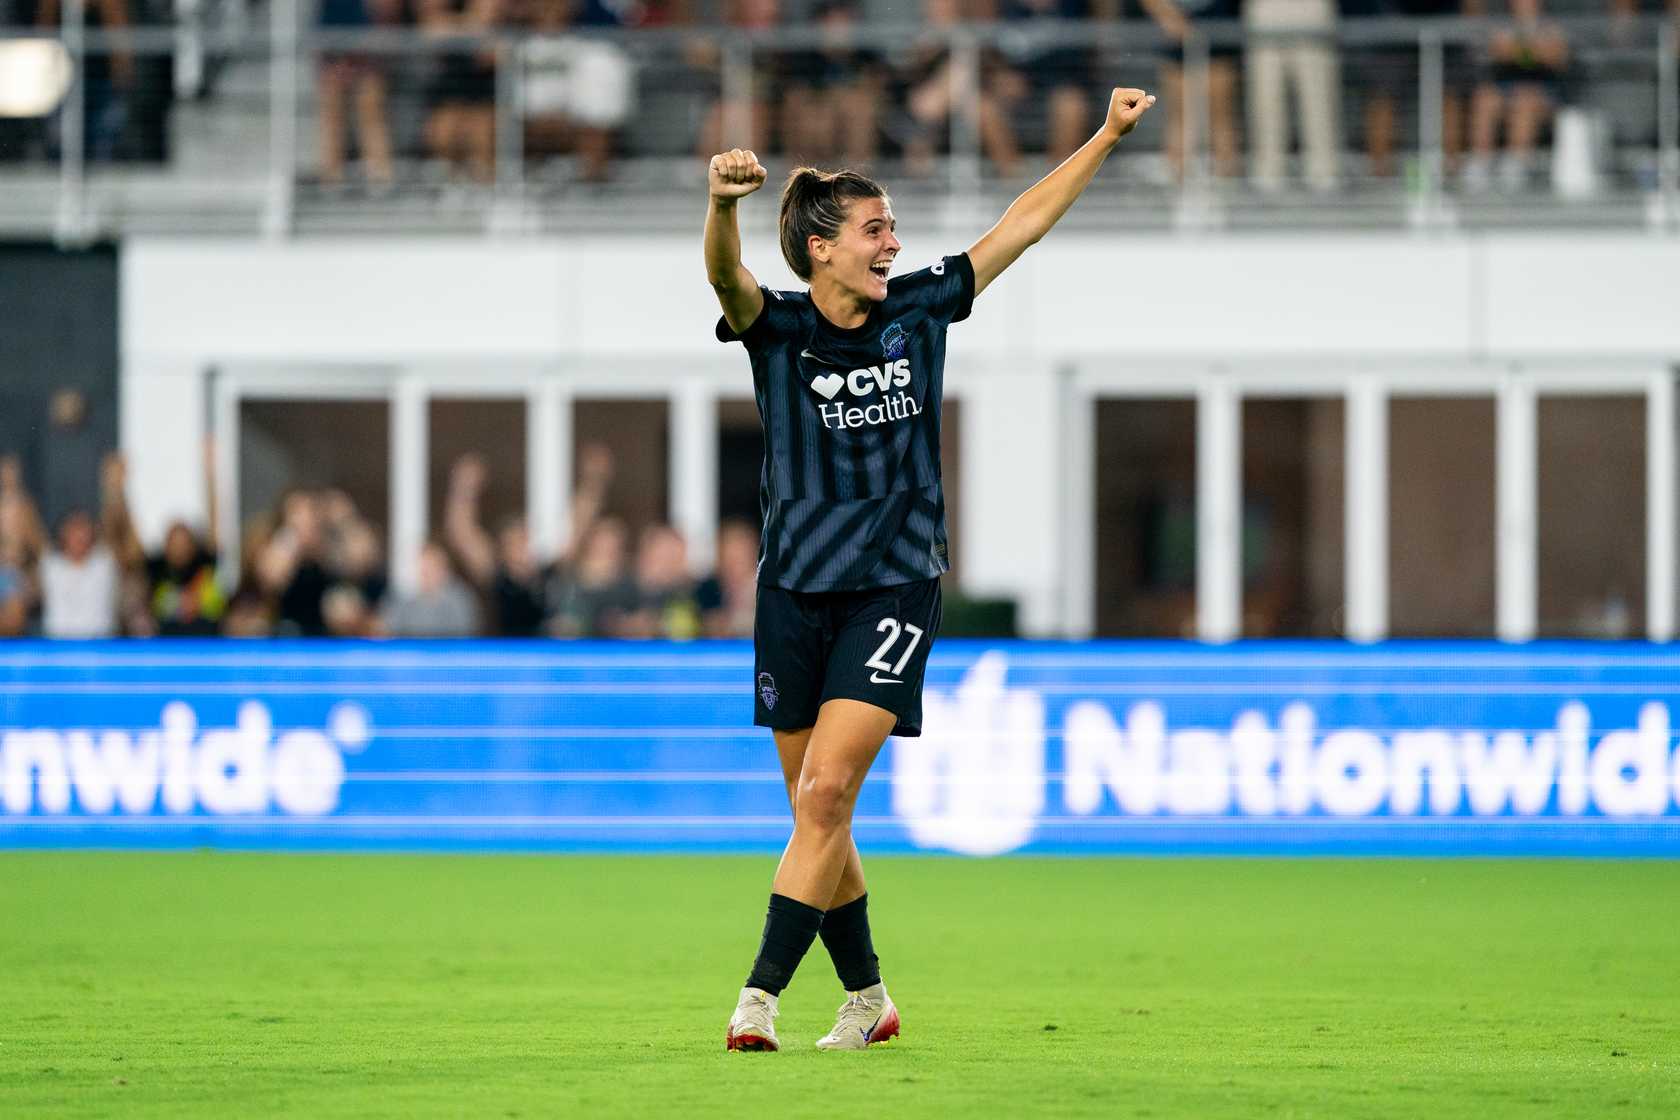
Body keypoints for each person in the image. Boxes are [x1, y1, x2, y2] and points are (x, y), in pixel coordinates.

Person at [704, 83, 1156, 1051]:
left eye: (894, 228)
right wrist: (721, 208)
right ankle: (869, 1000)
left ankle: (759, 999)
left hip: (895, 583)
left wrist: (1106, 137)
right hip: (792, 590)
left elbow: (1020, 224)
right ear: (822, 247)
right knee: (814, 810)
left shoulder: (919, 311)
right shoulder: (778, 332)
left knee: (826, 797)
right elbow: (725, 281)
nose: (893, 245)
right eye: (875, 229)